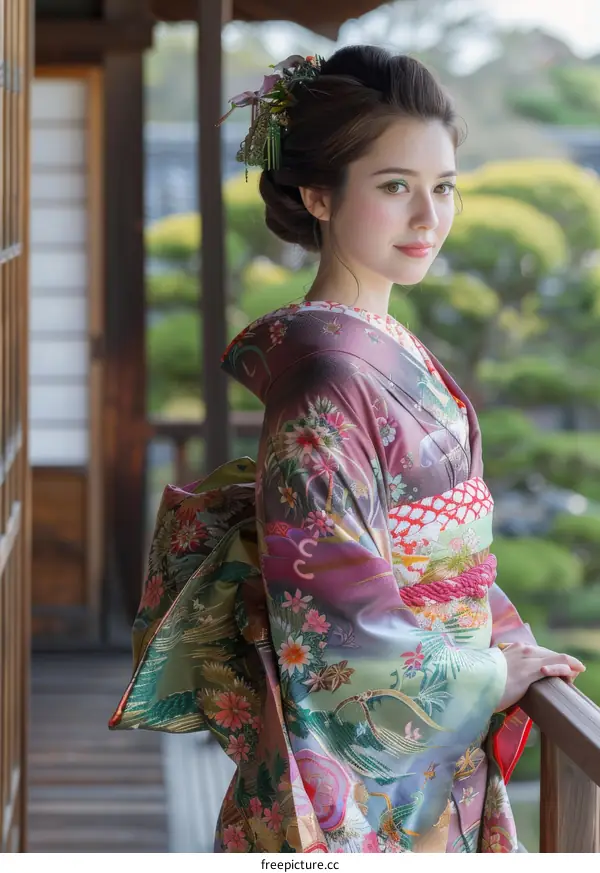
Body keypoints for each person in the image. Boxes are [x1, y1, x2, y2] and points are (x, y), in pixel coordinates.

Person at [109, 46, 585, 853]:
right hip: (363, 778)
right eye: (396, 186)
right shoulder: (328, 378)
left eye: (444, 188)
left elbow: (451, 561)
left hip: (429, 741)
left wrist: (497, 629)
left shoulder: (378, 347)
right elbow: (335, 628)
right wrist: (483, 676)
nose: (429, 217)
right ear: (318, 195)